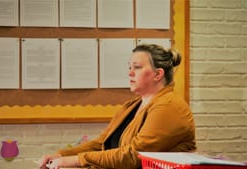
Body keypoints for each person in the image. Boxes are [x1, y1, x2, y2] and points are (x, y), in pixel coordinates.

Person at [39, 44, 196, 169]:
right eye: (129, 67)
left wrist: (76, 160)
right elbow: (102, 144)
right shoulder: (132, 105)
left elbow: (134, 156)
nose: (130, 73)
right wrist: (61, 155)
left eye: (137, 67)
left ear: (158, 74)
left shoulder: (169, 106)